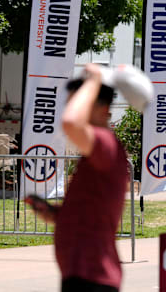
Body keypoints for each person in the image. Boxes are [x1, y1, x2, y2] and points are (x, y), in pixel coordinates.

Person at [30, 64, 129, 292]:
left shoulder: (105, 143)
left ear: (103, 110)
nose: (71, 108)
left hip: (92, 276)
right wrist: (59, 215)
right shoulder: (98, 151)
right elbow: (95, 211)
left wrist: (94, 79)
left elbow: (71, 123)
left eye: (80, 103)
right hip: (83, 274)